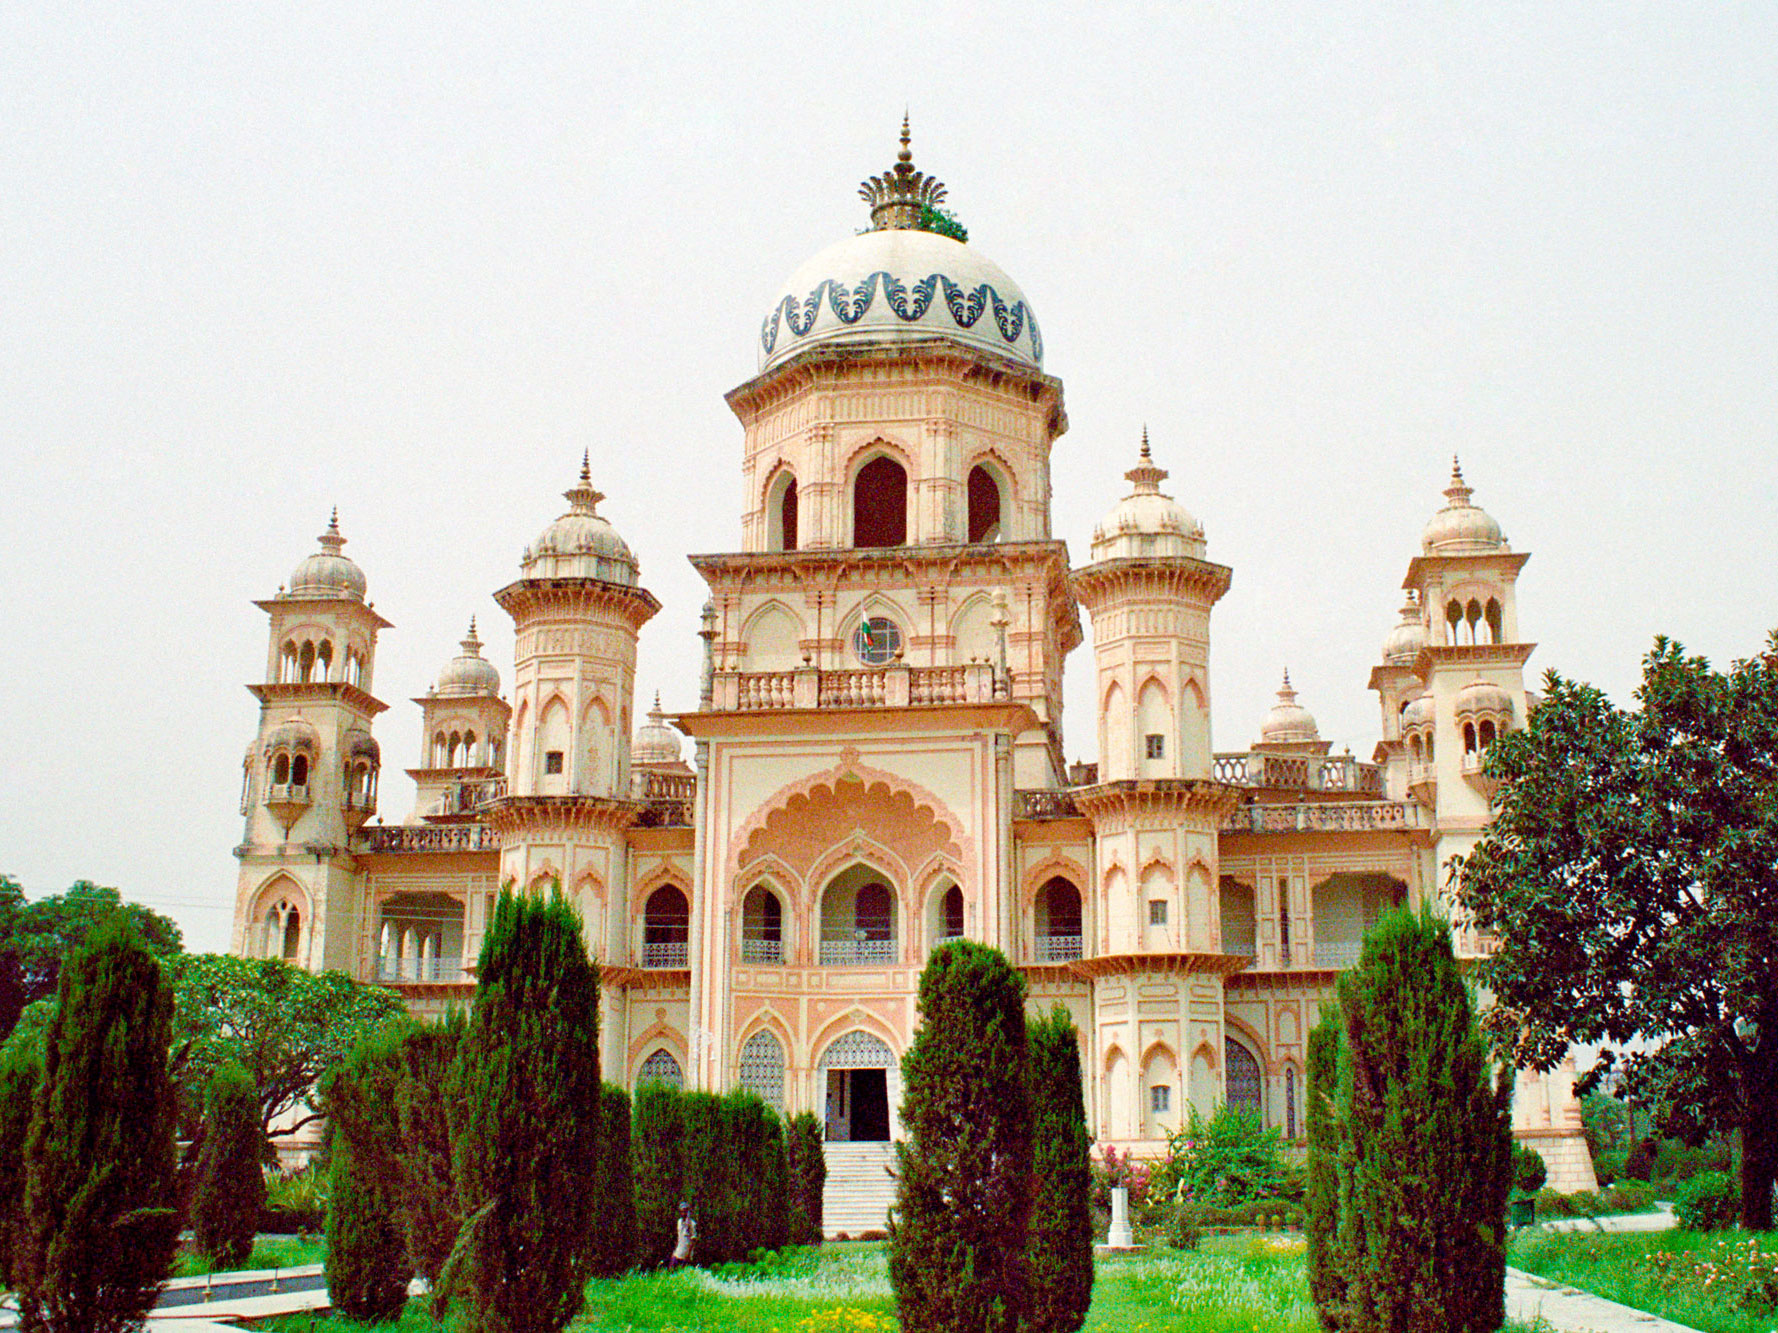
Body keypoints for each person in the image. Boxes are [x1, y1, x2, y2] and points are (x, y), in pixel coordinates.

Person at [670, 1200, 697, 1268]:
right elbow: (679, 1237)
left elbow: (693, 1240)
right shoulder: (679, 1222)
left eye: (685, 1211)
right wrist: (674, 1251)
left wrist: (689, 1254)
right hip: (678, 1252)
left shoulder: (692, 1224)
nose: (683, 1213)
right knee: (671, 1269)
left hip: (686, 1254)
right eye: (682, 1211)